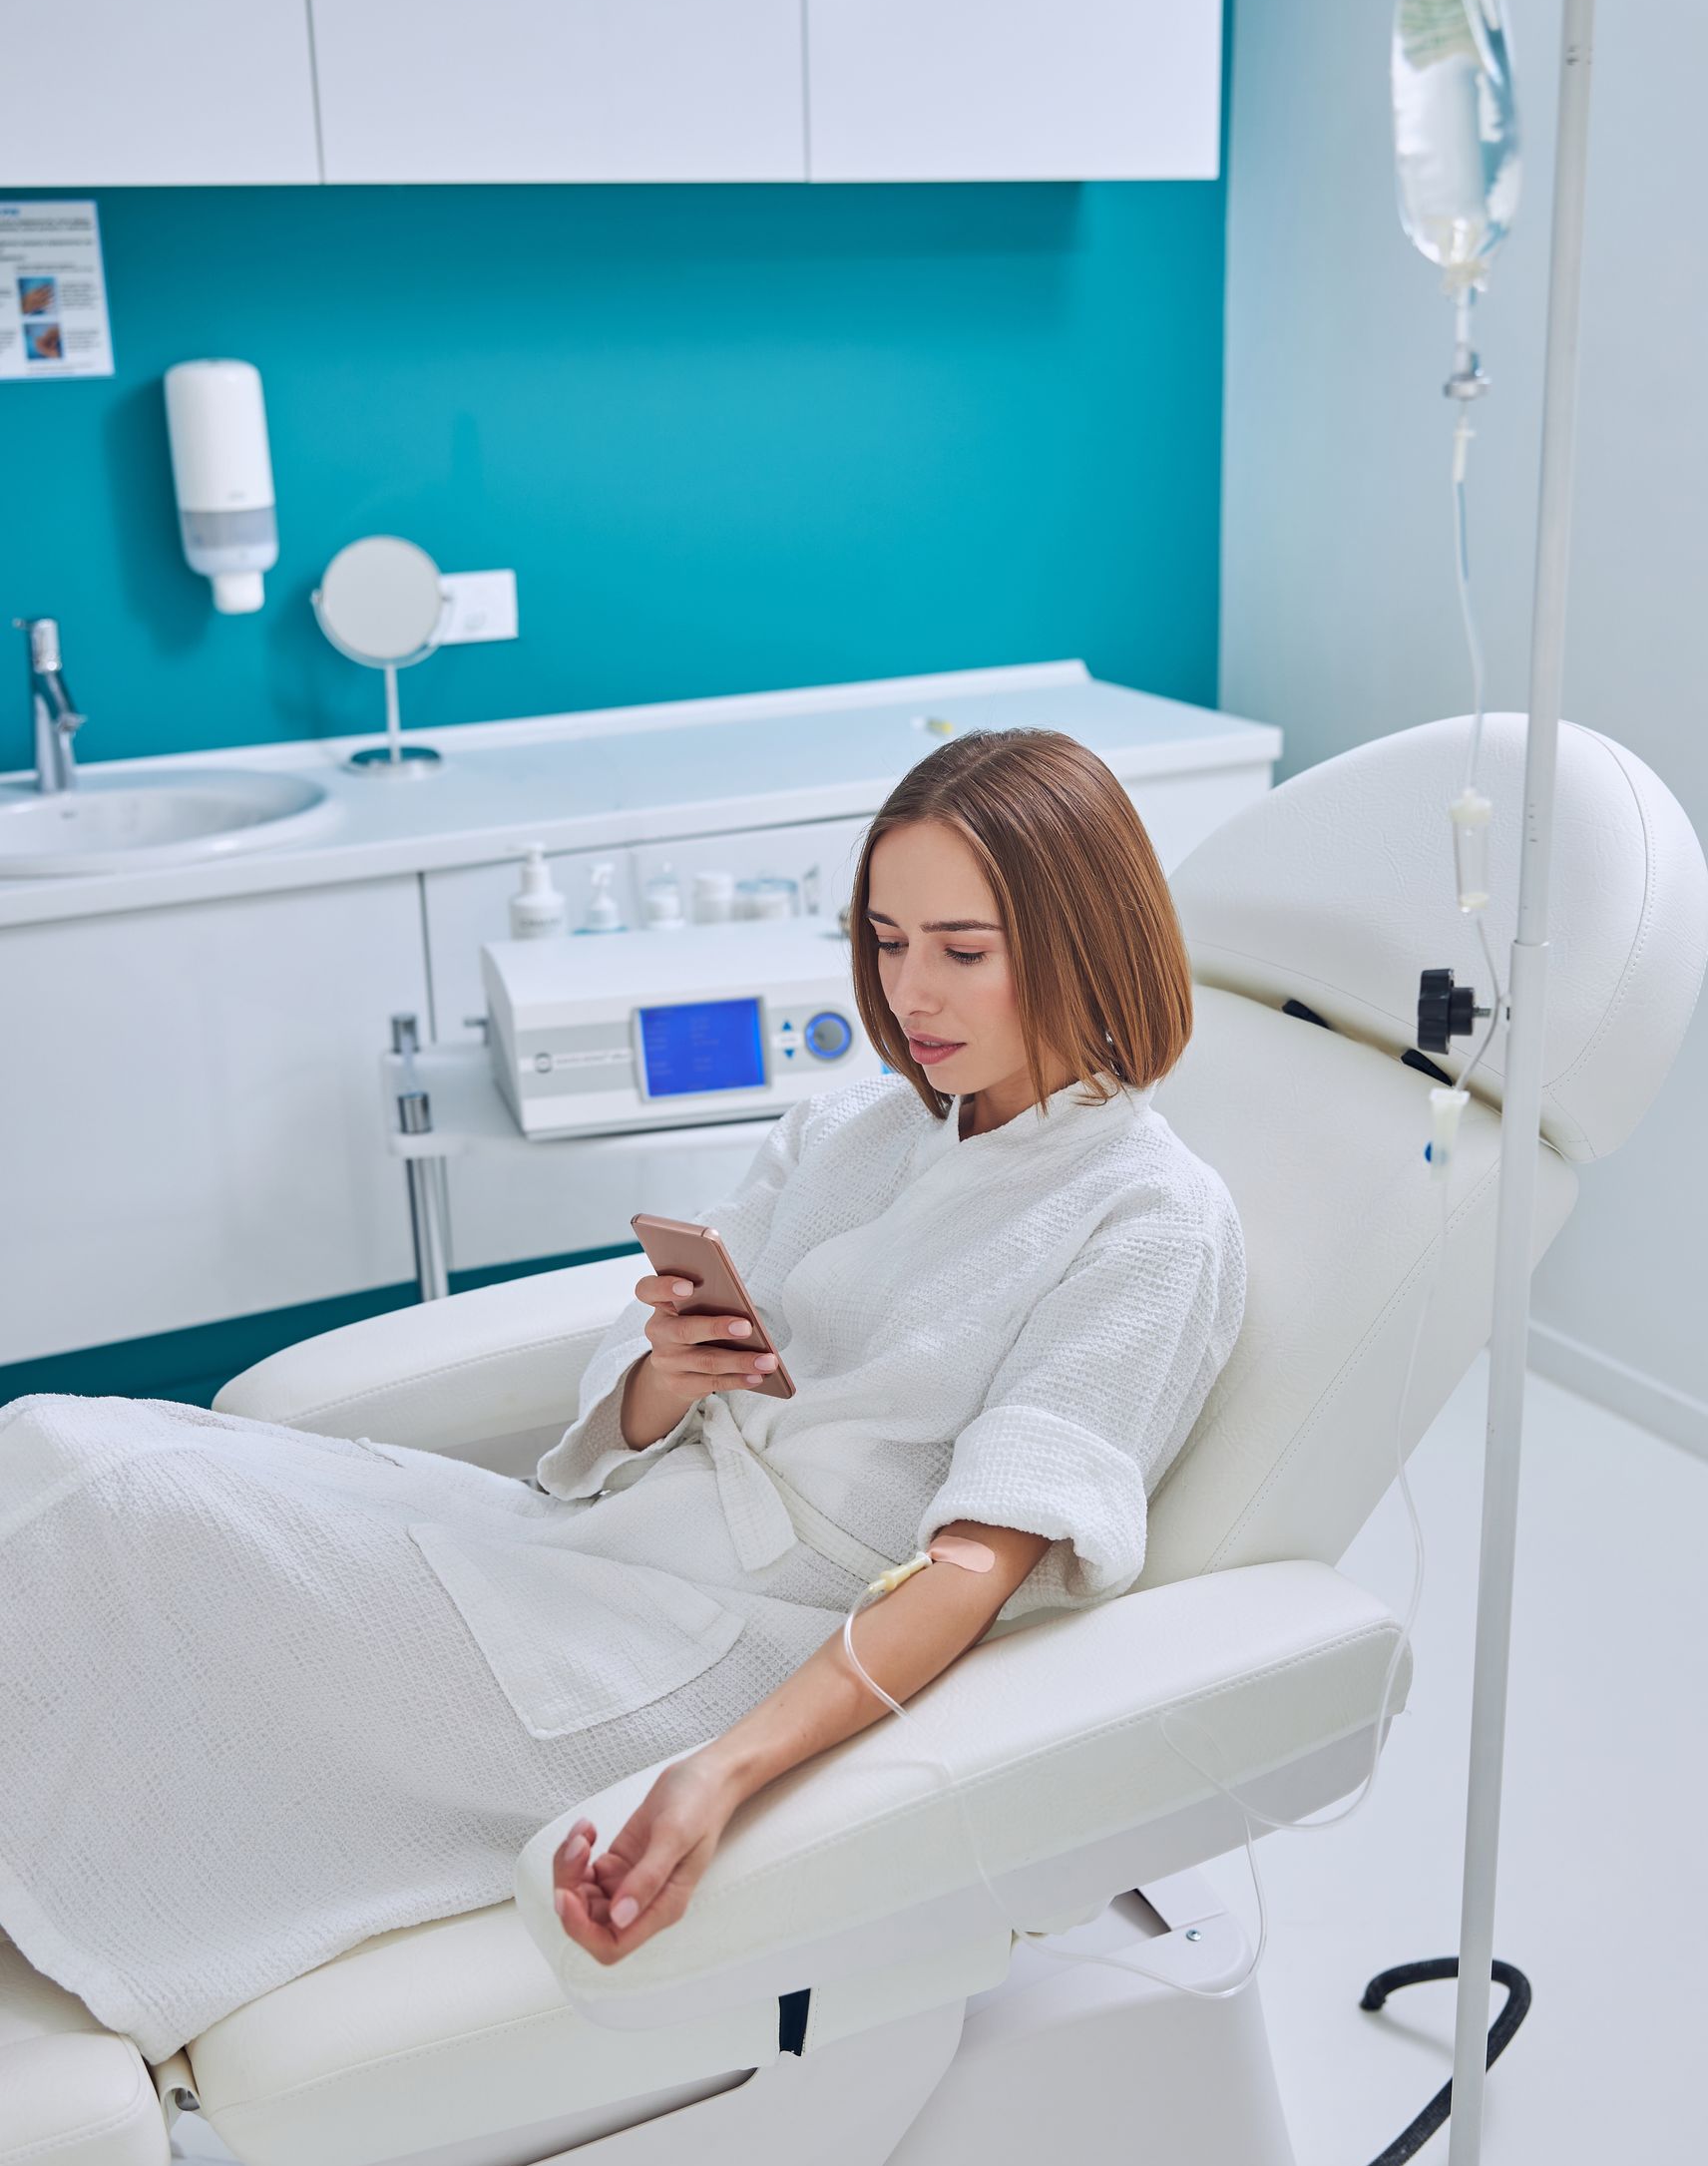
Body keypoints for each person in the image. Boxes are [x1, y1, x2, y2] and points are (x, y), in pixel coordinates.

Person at [0, 730, 1244, 2062]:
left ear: (1080, 938)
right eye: (886, 941)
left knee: (132, 1520)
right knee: (64, 1451)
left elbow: (972, 1567)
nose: (912, 992)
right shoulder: (853, 1130)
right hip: (604, 1552)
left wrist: (716, 1774)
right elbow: (626, 1412)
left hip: (742, 1648)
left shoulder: (1149, 1221)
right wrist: (664, 1373)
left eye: (962, 948)